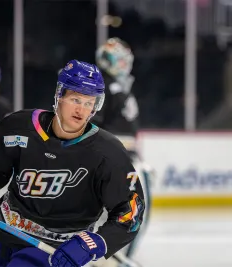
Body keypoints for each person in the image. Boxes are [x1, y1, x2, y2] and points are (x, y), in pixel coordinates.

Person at [0, 59, 146, 267]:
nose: (82, 110)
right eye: (76, 100)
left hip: (53, 249)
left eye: (89, 103)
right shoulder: (19, 127)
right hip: (0, 231)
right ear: (59, 95)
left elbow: (131, 211)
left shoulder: (108, 153)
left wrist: (94, 242)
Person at [94, 37, 152, 265]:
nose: (125, 65)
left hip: (127, 160)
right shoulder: (104, 87)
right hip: (115, 162)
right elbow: (96, 126)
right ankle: (117, 261)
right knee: (129, 214)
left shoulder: (120, 87)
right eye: (120, 60)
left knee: (134, 213)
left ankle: (121, 260)